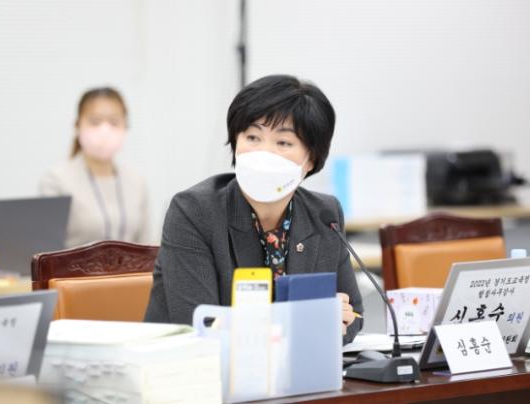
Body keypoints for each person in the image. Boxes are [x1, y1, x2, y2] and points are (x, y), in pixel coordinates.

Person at [145, 75, 363, 343]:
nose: (264, 153)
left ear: (311, 158)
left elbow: (354, 315)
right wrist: (310, 324)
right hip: (191, 365)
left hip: (295, 366)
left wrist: (334, 322)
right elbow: (201, 325)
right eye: (252, 137)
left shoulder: (324, 213)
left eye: (283, 143)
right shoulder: (194, 211)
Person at [39, 87, 149, 248]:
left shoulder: (136, 181)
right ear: (77, 126)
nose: (105, 130)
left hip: (132, 266)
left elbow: (147, 247)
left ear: (126, 126)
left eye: (114, 122)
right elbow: (48, 250)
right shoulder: (56, 180)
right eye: (95, 121)